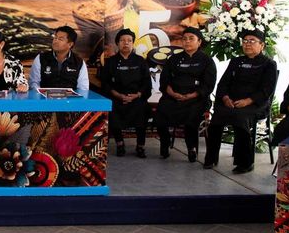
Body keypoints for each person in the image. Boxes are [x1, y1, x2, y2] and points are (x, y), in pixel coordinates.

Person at [203, 29, 278, 173]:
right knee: (217, 117)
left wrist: (248, 101)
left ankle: (245, 163)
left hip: (255, 104)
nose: (247, 44)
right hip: (231, 102)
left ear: (262, 45)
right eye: (245, 41)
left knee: (240, 117)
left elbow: (267, 89)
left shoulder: (269, 64)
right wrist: (225, 98)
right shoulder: (236, 61)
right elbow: (223, 83)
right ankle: (211, 158)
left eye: (252, 41)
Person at [155, 27, 217, 163]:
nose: (187, 41)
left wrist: (192, 95)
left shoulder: (207, 60)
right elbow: (165, 80)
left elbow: (208, 85)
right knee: (161, 112)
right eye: (184, 39)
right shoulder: (174, 59)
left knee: (192, 116)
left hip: (197, 98)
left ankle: (191, 148)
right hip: (173, 97)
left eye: (191, 39)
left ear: (199, 42)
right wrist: (172, 93)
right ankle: (164, 144)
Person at [101, 28, 151, 158]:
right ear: (117, 43)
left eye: (129, 40)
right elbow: (105, 84)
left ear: (133, 43)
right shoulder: (110, 62)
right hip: (117, 97)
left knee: (143, 109)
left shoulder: (140, 61)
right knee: (112, 109)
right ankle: (119, 143)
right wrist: (118, 95)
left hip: (137, 97)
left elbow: (147, 83)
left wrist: (138, 95)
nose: (126, 43)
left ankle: (140, 145)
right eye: (122, 40)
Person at [28, 25, 89, 91]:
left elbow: (83, 88)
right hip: (44, 96)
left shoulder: (79, 62)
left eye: (60, 39)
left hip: (70, 97)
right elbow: (33, 83)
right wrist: (40, 93)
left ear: (70, 44)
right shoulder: (41, 58)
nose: (56, 41)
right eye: (55, 38)